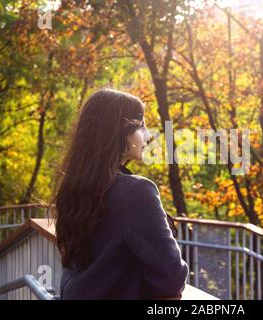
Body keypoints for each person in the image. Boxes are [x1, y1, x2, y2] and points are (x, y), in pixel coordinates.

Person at [52, 88, 189, 299]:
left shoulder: (74, 186)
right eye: (140, 125)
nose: (148, 135)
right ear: (116, 131)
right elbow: (172, 278)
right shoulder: (136, 192)